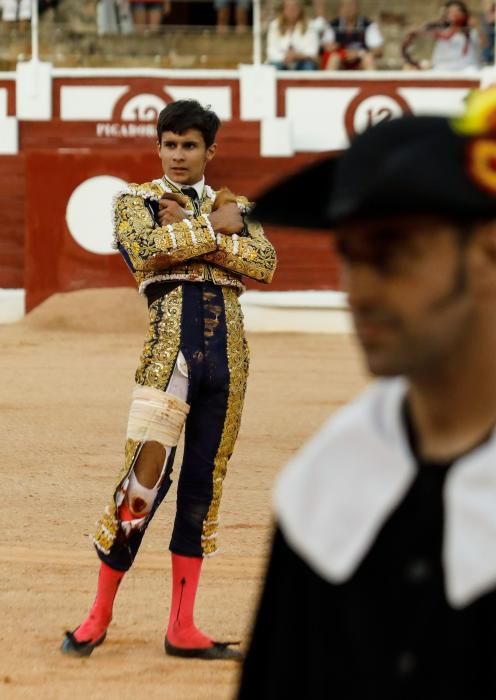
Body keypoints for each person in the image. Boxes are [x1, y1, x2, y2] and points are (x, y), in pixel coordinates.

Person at [238, 87, 496, 697]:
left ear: (488, 252)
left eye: (392, 253)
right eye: (349, 256)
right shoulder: (327, 481)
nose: (358, 290)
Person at [60, 99, 277, 661]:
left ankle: (183, 626)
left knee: (203, 490)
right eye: (170, 144)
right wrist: (216, 232)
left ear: (210, 151)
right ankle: (97, 616)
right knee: (141, 486)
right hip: (168, 361)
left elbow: (264, 264)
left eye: (190, 145)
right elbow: (145, 250)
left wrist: (193, 234)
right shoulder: (135, 200)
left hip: (228, 365)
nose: (178, 155)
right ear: (158, 146)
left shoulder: (239, 205)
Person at [403, 1, 480, 72]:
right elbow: (443, 35)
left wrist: (476, 26)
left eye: (456, 11)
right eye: (450, 11)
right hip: (441, 68)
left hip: (464, 69)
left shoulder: (471, 31)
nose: (453, 14)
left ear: (464, 14)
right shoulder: (440, 27)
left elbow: (482, 44)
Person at [321, 0, 383, 71]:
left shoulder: (368, 25)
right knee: (334, 58)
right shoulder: (333, 25)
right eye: (346, 6)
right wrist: (336, 50)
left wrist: (358, 53)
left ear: (357, 7)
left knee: (368, 59)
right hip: (341, 62)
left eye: (351, 5)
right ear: (341, 8)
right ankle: (329, 82)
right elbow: (325, 47)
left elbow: (378, 50)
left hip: (360, 62)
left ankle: (372, 82)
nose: (348, 9)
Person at [266, 0, 319, 71]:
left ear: (300, 9)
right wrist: (285, 57)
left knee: (308, 66)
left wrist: (297, 56)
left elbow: (312, 51)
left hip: (302, 61)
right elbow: (271, 51)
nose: (291, 10)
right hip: (281, 61)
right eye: (288, 7)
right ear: (283, 9)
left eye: (294, 7)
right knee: (275, 66)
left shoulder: (310, 25)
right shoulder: (274, 25)